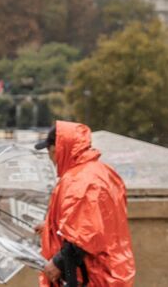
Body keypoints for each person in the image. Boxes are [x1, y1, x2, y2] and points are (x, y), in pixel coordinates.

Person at [35, 121, 136, 287]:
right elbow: (96, 222)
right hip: (112, 269)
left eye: (51, 152)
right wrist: (51, 228)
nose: (52, 160)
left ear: (60, 149)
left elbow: (85, 235)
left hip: (93, 277)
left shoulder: (79, 180)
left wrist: (57, 263)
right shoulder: (102, 171)